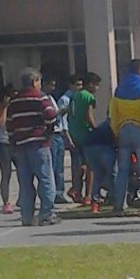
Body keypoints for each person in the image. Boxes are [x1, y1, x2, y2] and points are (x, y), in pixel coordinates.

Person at [6, 68, 60, 226]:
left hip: (20, 146)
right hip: (38, 143)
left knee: (25, 182)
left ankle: (27, 217)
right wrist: (48, 133)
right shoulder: (41, 97)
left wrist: (13, 142)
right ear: (35, 81)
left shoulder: (14, 101)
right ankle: (46, 214)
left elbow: (9, 125)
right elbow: (50, 117)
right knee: (45, 179)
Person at [111, 59, 140, 213]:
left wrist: (116, 132)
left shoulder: (119, 89)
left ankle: (119, 204)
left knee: (122, 169)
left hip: (123, 129)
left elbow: (113, 114)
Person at [68, 72, 101, 206]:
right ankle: (88, 195)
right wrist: (97, 130)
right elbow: (89, 116)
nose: (97, 88)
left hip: (74, 132)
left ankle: (76, 189)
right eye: (97, 85)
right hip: (85, 134)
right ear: (91, 84)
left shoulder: (75, 95)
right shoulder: (88, 97)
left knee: (79, 164)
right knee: (90, 166)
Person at [81, 120, 117, 214]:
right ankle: (114, 199)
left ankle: (95, 201)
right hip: (103, 147)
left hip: (88, 147)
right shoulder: (115, 123)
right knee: (112, 173)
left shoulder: (102, 125)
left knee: (98, 175)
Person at [58, 74, 84, 203]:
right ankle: (74, 190)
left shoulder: (77, 98)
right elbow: (62, 122)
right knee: (76, 165)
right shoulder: (65, 100)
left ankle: (77, 189)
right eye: (77, 85)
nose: (80, 87)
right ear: (71, 85)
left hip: (78, 134)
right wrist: (68, 138)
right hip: (70, 135)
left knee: (81, 165)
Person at [42, 77, 68, 204]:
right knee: (52, 166)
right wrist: (59, 113)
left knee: (60, 167)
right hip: (51, 134)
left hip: (58, 134)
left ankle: (59, 192)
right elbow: (49, 116)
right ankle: (52, 194)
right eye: (51, 85)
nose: (53, 88)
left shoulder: (51, 98)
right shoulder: (43, 99)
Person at [0, 84, 18, 215]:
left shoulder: (18, 108)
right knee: (6, 173)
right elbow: (0, 123)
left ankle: (23, 198)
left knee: (24, 172)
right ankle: (6, 202)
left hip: (16, 142)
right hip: (3, 144)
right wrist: (4, 106)